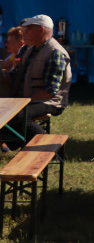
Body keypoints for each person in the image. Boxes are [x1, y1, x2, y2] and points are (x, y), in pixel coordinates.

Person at [2, 15, 71, 151]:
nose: (24, 32)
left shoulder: (55, 53)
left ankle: (49, 146)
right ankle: (11, 141)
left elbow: (49, 91)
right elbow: (15, 76)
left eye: (28, 29)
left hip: (50, 101)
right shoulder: (28, 49)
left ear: (40, 30)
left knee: (19, 114)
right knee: (5, 110)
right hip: (27, 98)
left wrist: (20, 101)